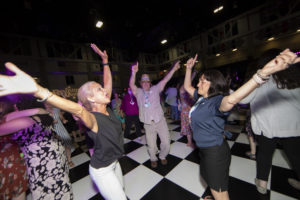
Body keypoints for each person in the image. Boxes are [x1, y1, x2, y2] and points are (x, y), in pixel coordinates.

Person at [0, 43, 126, 200]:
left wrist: (105, 61)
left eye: (102, 88)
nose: (104, 90)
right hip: (102, 169)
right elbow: (79, 110)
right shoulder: (93, 119)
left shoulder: (106, 107)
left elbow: (108, 82)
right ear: (91, 99)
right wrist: (39, 91)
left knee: (121, 189)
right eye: (98, 89)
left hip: (115, 161)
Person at [183, 50, 299, 200]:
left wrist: (261, 75)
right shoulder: (201, 97)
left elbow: (231, 100)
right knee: (210, 180)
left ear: (213, 83)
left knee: (220, 191)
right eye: (199, 80)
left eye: (203, 81)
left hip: (215, 153)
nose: (198, 83)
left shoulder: (217, 100)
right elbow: (187, 86)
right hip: (204, 150)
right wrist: (188, 69)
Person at [239, 49, 300, 194]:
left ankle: (262, 183)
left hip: (268, 127)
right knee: (296, 157)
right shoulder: (295, 79)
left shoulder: (262, 79)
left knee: (264, 154)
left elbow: (242, 99)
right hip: (294, 126)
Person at [0, 95, 73, 200]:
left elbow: (7, 117)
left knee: (53, 192)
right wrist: (37, 110)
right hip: (48, 162)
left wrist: (36, 110)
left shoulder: (26, 120)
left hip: (45, 164)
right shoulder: (29, 118)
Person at [129, 61, 180, 168]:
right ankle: (153, 158)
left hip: (160, 121)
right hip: (148, 124)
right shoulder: (138, 92)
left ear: (150, 82)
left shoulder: (156, 89)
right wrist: (133, 73)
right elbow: (131, 85)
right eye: (143, 81)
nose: (146, 83)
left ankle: (162, 156)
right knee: (151, 145)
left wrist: (173, 70)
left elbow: (165, 79)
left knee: (166, 143)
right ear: (141, 83)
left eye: (147, 80)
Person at [0, 99, 28, 200]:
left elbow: (26, 122)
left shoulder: (8, 117)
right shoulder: (8, 118)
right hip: (9, 163)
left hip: (13, 162)